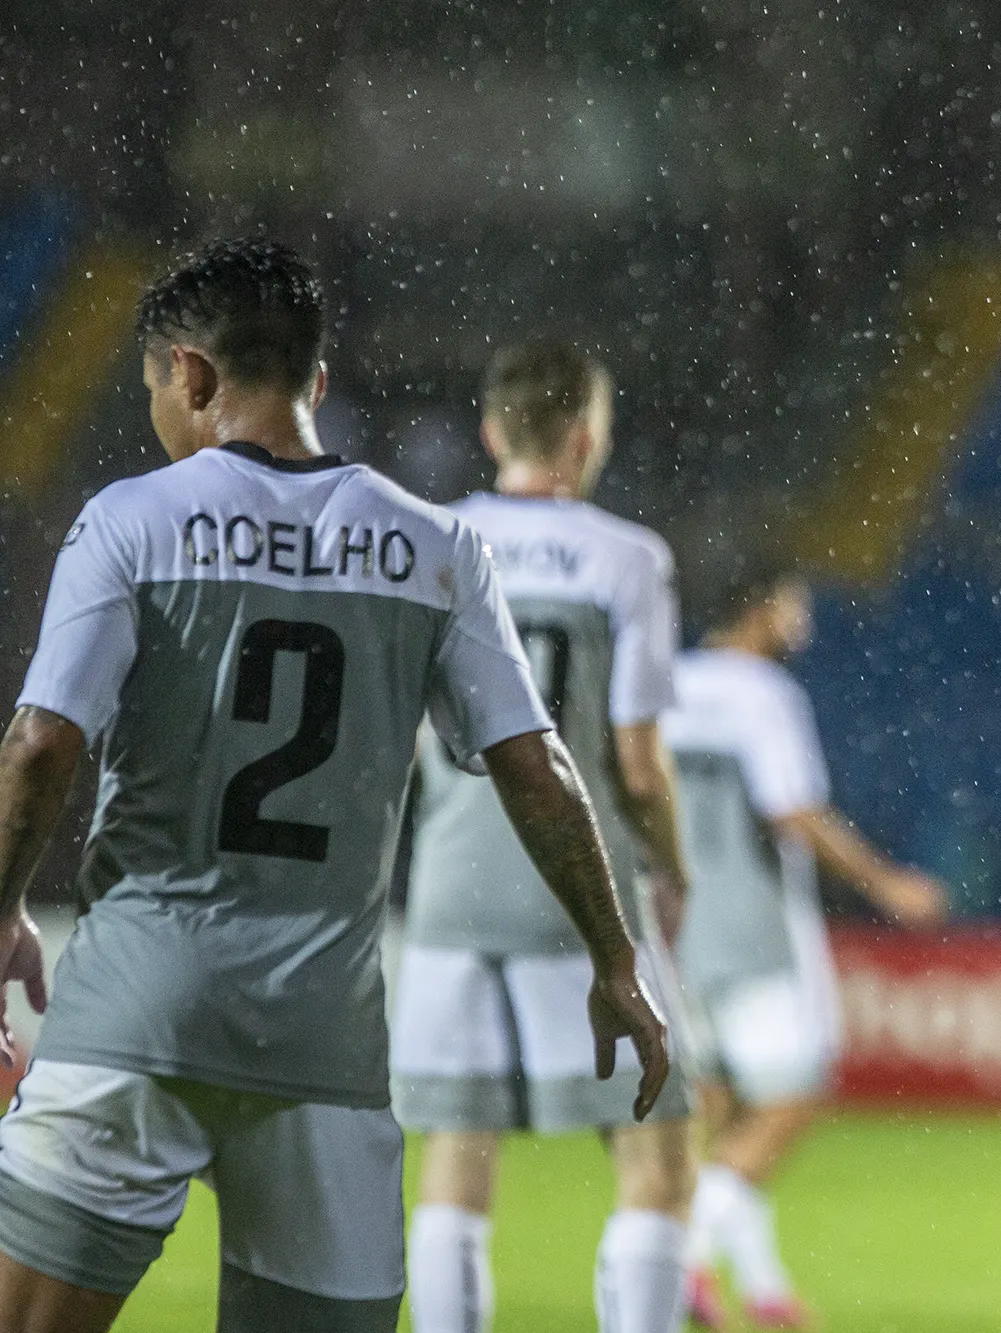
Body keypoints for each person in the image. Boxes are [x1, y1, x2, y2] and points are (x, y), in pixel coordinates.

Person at [0, 239, 668, 1333]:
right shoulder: (438, 546)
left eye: (156, 393)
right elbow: (540, 772)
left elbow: (38, 744)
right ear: (314, 382)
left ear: (193, 377)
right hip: (321, 1036)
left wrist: (2, 905)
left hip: (139, 1005)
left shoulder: (133, 519)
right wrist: (613, 956)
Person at [390, 339, 698, 1333]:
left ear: (490, 433)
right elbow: (639, 760)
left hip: (450, 882)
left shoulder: (428, 541)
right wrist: (673, 866)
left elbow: (395, 741)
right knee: (652, 1151)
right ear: (585, 435)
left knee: (455, 1149)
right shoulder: (627, 557)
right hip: (578, 883)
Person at [665, 561, 948, 1329]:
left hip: (678, 926)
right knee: (792, 1097)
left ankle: (761, 1290)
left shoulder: (670, 682)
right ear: (756, 609)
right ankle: (684, 1260)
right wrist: (888, 884)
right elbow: (793, 810)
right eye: (793, 606)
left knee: (720, 1110)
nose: (804, 622)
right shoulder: (764, 695)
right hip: (755, 925)